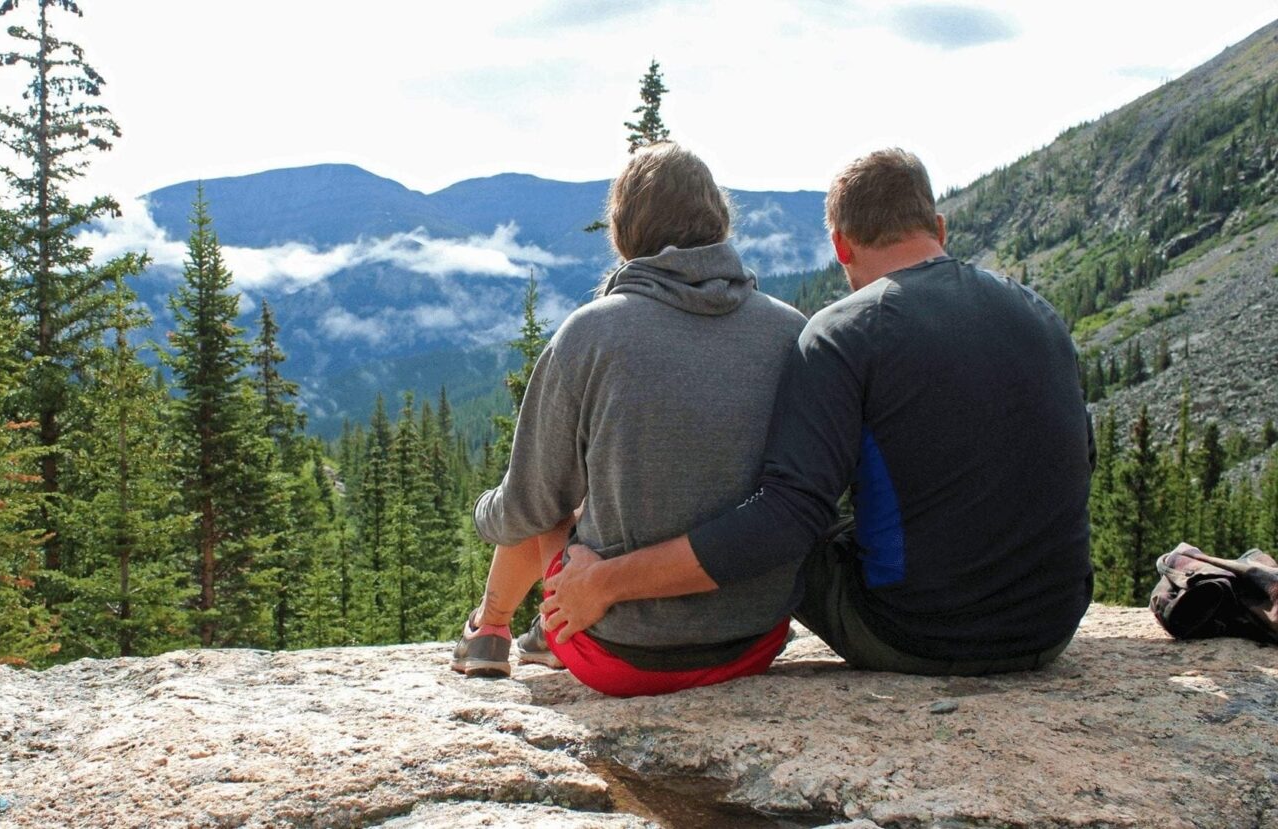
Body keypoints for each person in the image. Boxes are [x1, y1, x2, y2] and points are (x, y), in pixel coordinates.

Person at [542, 148, 1094, 676]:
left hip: (913, 633)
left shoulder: (846, 332)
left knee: (791, 519)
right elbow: (1077, 461)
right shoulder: (1038, 313)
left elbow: (787, 519)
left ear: (841, 246)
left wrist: (606, 582)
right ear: (940, 229)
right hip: (1051, 626)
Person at [451, 142, 808, 697]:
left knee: (555, 492)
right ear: (719, 220)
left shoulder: (591, 334)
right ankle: (523, 629)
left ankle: (492, 628)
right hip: (753, 642)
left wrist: (483, 512)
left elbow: (531, 504)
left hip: (620, 654)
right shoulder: (790, 330)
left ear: (623, 234)